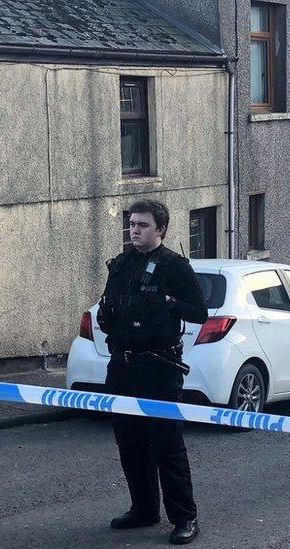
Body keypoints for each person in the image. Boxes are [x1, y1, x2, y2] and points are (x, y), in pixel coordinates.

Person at [97, 199, 207, 545]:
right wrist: (106, 317)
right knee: (129, 443)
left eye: (143, 225)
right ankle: (143, 509)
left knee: (166, 444)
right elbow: (109, 304)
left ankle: (184, 517)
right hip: (123, 365)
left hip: (159, 367)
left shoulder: (174, 266)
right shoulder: (122, 264)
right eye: (132, 225)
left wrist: (170, 303)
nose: (135, 231)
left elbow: (200, 312)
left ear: (161, 229)